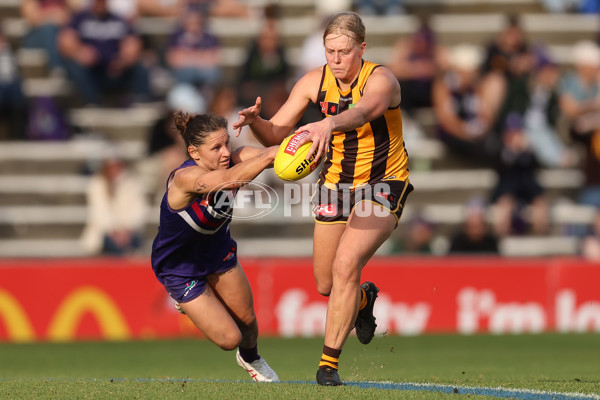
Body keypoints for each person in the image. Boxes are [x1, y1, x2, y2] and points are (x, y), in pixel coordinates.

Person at [233, 11, 413, 386]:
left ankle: (327, 365)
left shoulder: (381, 79)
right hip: (334, 185)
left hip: (382, 183)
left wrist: (329, 122)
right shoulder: (314, 81)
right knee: (327, 285)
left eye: (344, 52)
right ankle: (363, 301)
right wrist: (257, 123)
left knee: (347, 263)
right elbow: (277, 135)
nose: (335, 59)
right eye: (330, 51)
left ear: (361, 49)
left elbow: (366, 111)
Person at [150, 112, 279, 382]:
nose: (225, 152)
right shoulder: (185, 178)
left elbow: (282, 156)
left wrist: (310, 140)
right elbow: (227, 180)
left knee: (248, 324)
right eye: (216, 147)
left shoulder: (234, 159)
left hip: (218, 253)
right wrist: (267, 156)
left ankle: (251, 357)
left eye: (227, 144)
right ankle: (183, 299)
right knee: (229, 338)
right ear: (194, 153)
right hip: (180, 267)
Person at [57, 0, 151, 106]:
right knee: (73, 65)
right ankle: (92, 103)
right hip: (91, 72)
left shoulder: (118, 19)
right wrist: (79, 51)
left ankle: (142, 102)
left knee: (142, 66)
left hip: (115, 70)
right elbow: (65, 41)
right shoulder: (80, 18)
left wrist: (123, 60)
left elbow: (133, 42)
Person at [80, 152, 149, 255]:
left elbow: (140, 210)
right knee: (114, 246)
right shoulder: (97, 184)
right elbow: (99, 212)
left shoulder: (133, 184)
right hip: (105, 233)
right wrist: (115, 231)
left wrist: (127, 230)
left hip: (130, 233)